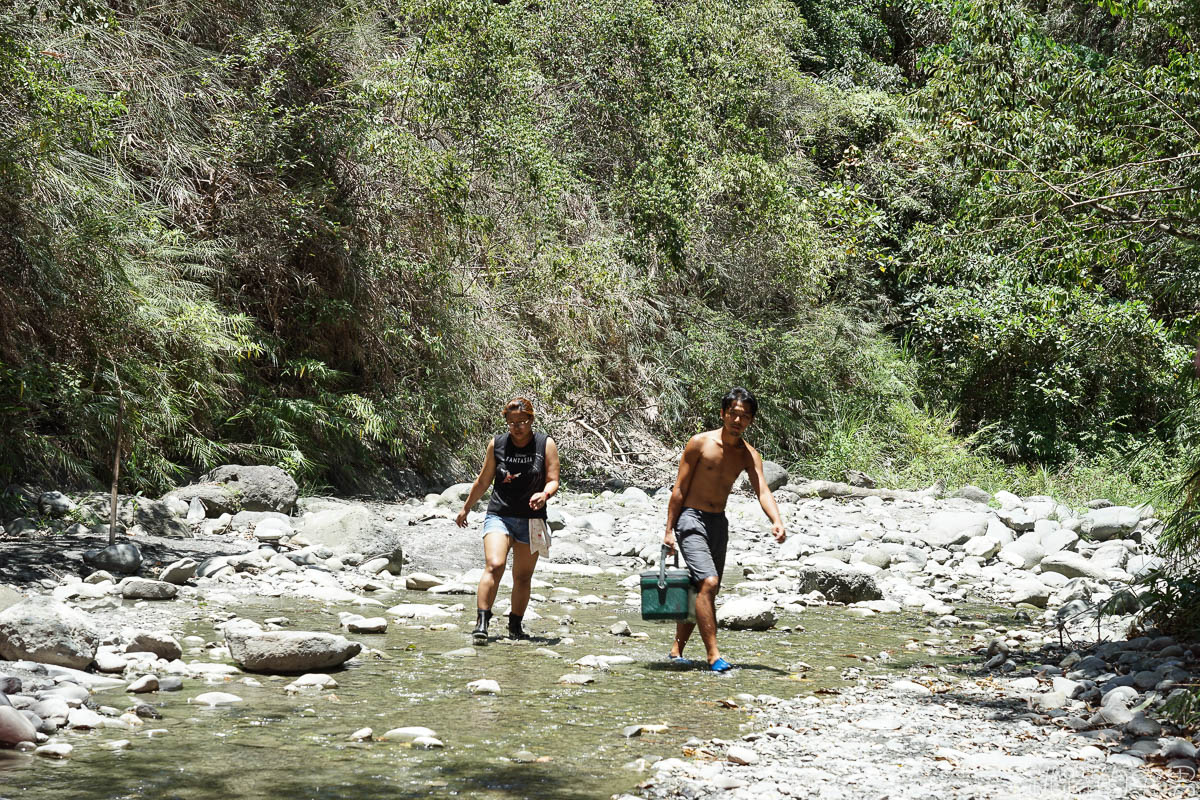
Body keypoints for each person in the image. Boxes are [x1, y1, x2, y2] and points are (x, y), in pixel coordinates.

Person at [663, 387, 786, 672]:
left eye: (744, 416)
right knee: (709, 582)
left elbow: (763, 491)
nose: (737, 420)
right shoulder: (699, 443)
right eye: (733, 414)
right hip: (690, 518)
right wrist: (668, 530)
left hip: (718, 522)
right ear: (722, 413)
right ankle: (713, 655)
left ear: (751, 421)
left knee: (702, 589)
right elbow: (679, 489)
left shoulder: (747, 455)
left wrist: (776, 520)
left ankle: (676, 650)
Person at [456, 397, 560, 644]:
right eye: (512, 422)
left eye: (522, 422)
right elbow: (483, 481)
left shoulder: (545, 444)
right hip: (499, 514)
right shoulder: (498, 444)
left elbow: (553, 479)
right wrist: (466, 508)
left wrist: (544, 494)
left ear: (531, 420)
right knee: (494, 564)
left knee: (522, 577)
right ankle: (482, 622)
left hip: (532, 519)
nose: (517, 427)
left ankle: (515, 625)